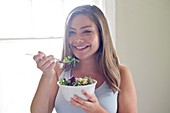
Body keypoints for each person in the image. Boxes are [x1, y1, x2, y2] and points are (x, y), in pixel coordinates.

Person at [30, 5, 137, 113]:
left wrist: (96, 110)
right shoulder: (58, 70)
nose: (78, 39)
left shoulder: (120, 74)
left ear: (101, 34)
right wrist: (47, 75)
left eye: (86, 32)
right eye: (72, 32)